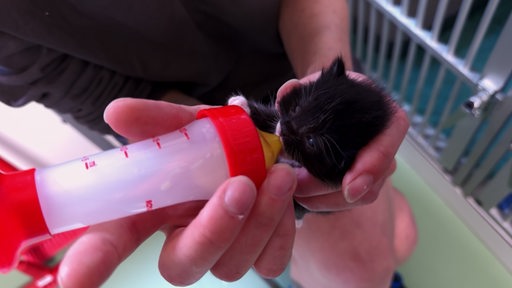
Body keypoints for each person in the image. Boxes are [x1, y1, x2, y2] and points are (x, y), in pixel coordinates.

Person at [0, 1, 417, 287]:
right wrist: (204, 143)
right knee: (357, 264)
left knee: (377, 254)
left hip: (305, 66)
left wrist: (322, 71)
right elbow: (104, 92)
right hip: (196, 115)